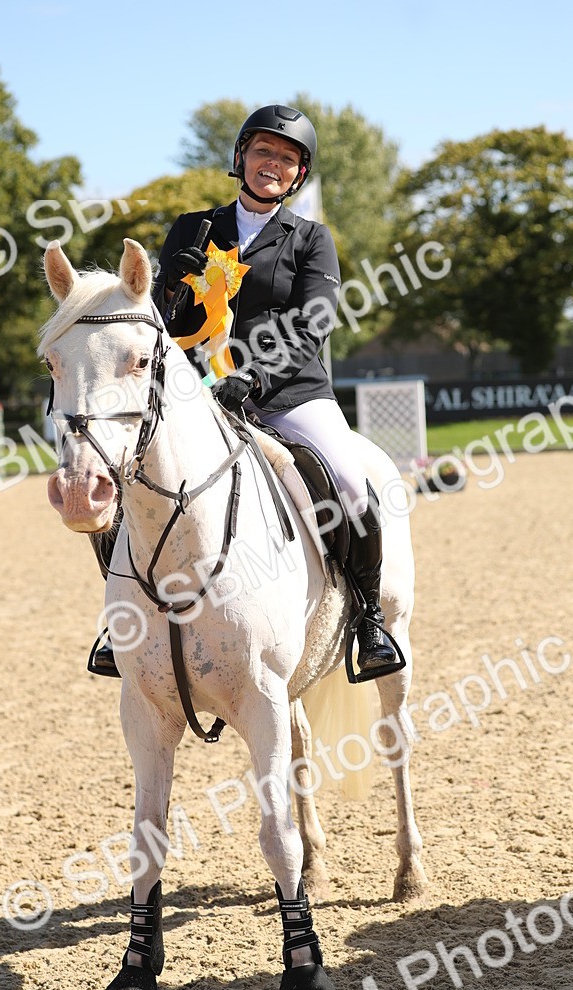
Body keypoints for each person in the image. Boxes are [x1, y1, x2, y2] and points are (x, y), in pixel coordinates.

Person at [89, 104, 399, 682]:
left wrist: (254, 379)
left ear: (298, 175)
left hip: (290, 394)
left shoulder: (311, 239)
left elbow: (313, 325)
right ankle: (120, 624)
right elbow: (158, 325)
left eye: (286, 159)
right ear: (240, 158)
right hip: (196, 394)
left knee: (351, 483)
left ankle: (368, 620)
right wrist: (173, 286)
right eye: (263, 152)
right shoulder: (194, 228)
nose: (272, 165)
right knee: (122, 480)